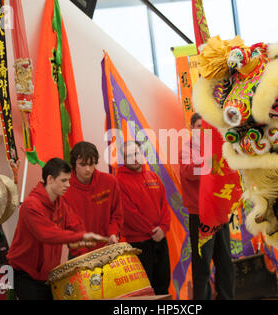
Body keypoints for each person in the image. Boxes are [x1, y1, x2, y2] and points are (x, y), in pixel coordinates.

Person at [7, 158, 106, 300]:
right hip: (25, 274)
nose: (68, 185)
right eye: (64, 180)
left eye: (69, 180)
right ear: (50, 179)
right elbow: (47, 234)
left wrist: (88, 259)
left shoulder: (60, 203)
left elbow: (76, 227)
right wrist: (81, 238)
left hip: (49, 274)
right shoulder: (30, 205)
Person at [179, 113, 234, 300]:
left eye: (205, 127)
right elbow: (189, 172)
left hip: (219, 214)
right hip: (201, 215)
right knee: (202, 267)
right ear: (192, 128)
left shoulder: (218, 147)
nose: (202, 130)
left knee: (225, 263)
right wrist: (208, 163)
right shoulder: (187, 149)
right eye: (198, 126)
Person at [116, 141, 171, 295]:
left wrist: (163, 228)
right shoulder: (119, 181)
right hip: (139, 243)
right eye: (129, 156)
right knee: (145, 289)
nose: (134, 158)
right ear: (124, 160)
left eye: (136, 153)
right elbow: (128, 213)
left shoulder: (153, 176)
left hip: (160, 239)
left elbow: (165, 206)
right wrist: (152, 231)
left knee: (163, 284)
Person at [64, 141, 123, 258]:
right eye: (83, 164)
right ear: (74, 164)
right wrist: (83, 254)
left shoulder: (110, 182)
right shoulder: (64, 189)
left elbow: (117, 215)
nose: (87, 169)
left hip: (108, 248)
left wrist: (113, 233)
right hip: (79, 254)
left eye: (91, 164)